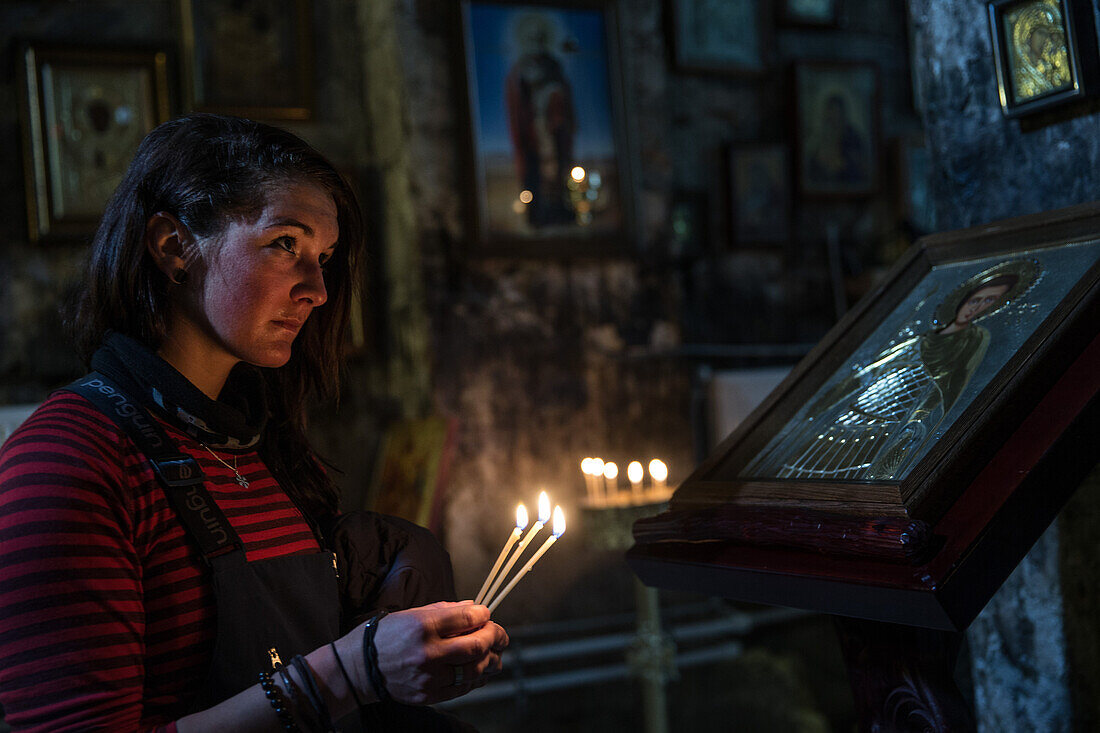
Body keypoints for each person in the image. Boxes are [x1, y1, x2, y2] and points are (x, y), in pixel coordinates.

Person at [0, 114, 508, 731]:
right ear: (173, 247)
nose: (317, 289)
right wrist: (350, 673)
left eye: (323, 256)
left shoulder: (253, 445)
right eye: (284, 244)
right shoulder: (68, 462)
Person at [745, 261, 1039, 481]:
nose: (978, 307)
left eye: (990, 301)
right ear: (963, 301)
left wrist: (925, 423)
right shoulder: (923, 338)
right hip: (860, 412)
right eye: (976, 299)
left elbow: (955, 383)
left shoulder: (976, 338)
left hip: (902, 417)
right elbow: (869, 373)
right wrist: (828, 399)